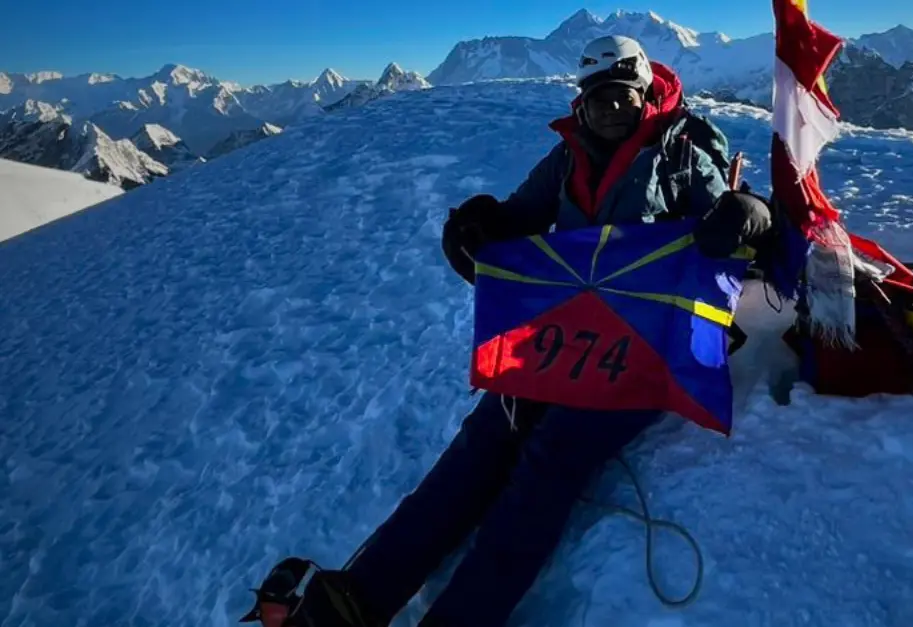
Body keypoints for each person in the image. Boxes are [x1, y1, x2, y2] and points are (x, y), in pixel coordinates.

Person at [241, 35, 772, 627]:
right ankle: (356, 600)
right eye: (597, 103)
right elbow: (518, 219)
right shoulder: (570, 156)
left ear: (644, 94)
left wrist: (748, 215)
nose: (608, 115)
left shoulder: (679, 154)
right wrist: (476, 225)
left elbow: (742, 224)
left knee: (550, 457)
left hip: (649, 346)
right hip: (572, 334)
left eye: (620, 101)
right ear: (581, 105)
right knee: (486, 437)